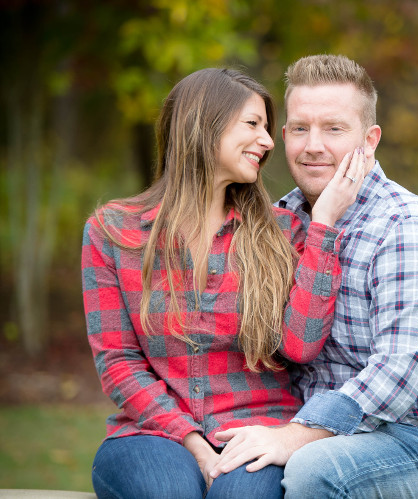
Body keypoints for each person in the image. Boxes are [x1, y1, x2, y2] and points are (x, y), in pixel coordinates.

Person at [209, 55, 418, 498]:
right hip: (330, 433)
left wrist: (293, 437)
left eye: (333, 129)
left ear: (369, 141)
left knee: (314, 471)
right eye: (299, 128)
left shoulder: (408, 227)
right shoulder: (280, 223)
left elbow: (399, 373)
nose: (313, 145)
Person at [81, 67, 366, 499]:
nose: (269, 142)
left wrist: (323, 224)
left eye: (268, 129)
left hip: (260, 429)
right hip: (152, 435)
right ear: (203, 124)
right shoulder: (115, 233)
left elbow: (300, 345)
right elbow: (118, 361)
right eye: (253, 124)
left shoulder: (283, 232)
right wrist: (193, 442)